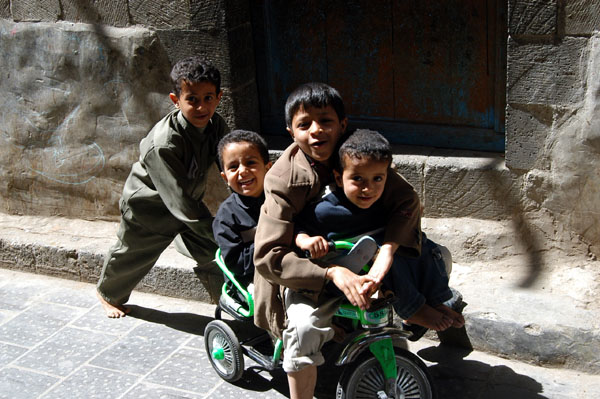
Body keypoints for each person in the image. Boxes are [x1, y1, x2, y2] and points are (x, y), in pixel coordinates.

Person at [253, 82, 427, 399]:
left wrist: (388, 251)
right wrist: (331, 273)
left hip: (364, 252)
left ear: (343, 125)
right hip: (307, 269)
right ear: (290, 131)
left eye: (326, 121)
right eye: (304, 124)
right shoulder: (282, 179)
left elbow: (407, 200)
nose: (316, 131)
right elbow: (268, 256)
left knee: (431, 258)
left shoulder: (359, 152)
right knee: (303, 330)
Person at [295, 128, 465, 338]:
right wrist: (306, 241)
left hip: (378, 261)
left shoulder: (383, 201)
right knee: (381, 251)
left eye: (377, 178)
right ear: (339, 178)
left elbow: (406, 216)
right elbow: (298, 228)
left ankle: (435, 300)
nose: (368, 189)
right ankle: (412, 309)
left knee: (423, 245)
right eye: (357, 179)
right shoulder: (325, 210)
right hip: (349, 272)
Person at [96, 56, 229, 318]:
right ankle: (107, 294)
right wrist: (221, 232)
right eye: (192, 99)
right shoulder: (164, 143)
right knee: (130, 255)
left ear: (219, 97)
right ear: (175, 100)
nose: (201, 107)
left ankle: (225, 299)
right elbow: (178, 204)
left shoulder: (216, 126)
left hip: (187, 203)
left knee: (215, 256)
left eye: (208, 98)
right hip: (149, 208)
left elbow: (229, 162)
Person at [212, 130, 272, 291]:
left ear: (268, 167)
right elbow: (237, 263)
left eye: (251, 163)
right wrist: (274, 239)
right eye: (233, 167)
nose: (243, 171)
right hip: (250, 280)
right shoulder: (226, 216)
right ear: (225, 177)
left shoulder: (281, 199)